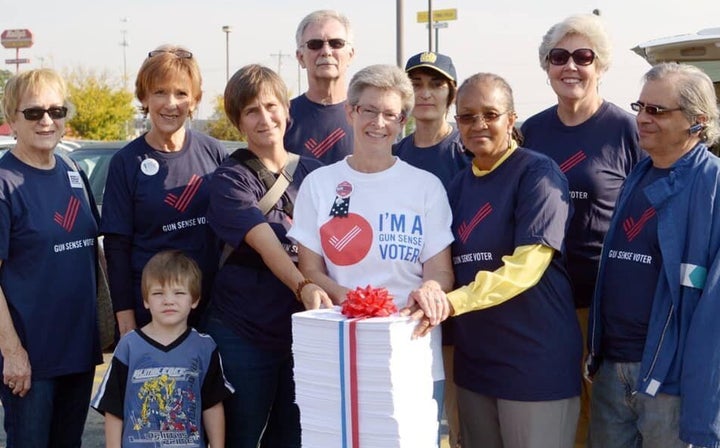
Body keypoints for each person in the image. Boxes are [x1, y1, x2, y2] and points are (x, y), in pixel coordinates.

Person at [409, 73, 582, 448]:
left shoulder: (537, 174)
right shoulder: (456, 186)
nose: (479, 125)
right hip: (475, 365)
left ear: (511, 118)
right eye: (467, 117)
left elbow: (526, 268)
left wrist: (451, 303)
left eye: (490, 114)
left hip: (534, 362)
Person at [288, 64, 455, 443]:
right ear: (350, 111)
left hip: (413, 355)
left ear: (403, 122)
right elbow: (309, 268)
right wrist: (362, 306)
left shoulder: (426, 187)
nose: (379, 123)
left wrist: (430, 289)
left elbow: (442, 272)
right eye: (369, 110)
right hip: (340, 356)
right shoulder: (319, 185)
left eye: (391, 115)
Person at [520, 14, 644, 444]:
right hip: (544, 298)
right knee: (557, 407)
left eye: (582, 56)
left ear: (600, 66)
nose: (570, 66)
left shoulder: (627, 130)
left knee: (602, 412)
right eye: (559, 57)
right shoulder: (531, 131)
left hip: (603, 303)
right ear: (546, 66)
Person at [586, 63, 720, 447]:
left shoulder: (712, 186)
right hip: (613, 370)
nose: (641, 118)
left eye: (656, 111)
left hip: (670, 383)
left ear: (697, 121)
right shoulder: (639, 174)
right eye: (640, 107)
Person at [204, 64, 331, 448]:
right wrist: (303, 284)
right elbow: (265, 241)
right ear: (238, 121)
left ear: (287, 111)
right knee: (241, 434)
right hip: (243, 331)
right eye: (251, 111)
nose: (265, 118)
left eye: (271, 106)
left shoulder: (318, 175)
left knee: (295, 436)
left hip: (304, 334)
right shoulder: (230, 179)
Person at [0, 68, 103, 446]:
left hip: (77, 352)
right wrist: (12, 353)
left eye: (57, 111)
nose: (47, 120)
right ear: (12, 119)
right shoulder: (4, 183)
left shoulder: (73, 170)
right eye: (33, 113)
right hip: (30, 361)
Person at [101, 45, 227, 336]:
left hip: (211, 311)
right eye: (159, 92)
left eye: (181, 93)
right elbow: (117, 247)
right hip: (151, 315)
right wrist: (125, 318)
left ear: (195, 101)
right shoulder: (126, 163)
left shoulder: (214, 153)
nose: (170, 103)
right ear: (144, 97)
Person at [393, 50, 470, 448]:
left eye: (435, 84)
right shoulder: (396, 155)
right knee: (413, 419)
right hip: (408, 307)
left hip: (458, 302)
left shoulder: (465, 152)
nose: (425, 93)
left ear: (450, 94)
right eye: (415, 84)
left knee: (456, 422)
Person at [91, 250, 234, 448]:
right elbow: (113, 408)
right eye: (158, 293)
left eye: (179, 293)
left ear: (194, 300)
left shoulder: (204, 347)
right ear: (146, 300)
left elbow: (212, 405)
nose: (168, 300)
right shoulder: (129, 346)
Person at [284, 10, 356, 164]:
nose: (326, 51)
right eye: (314, 45)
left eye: (336, 43)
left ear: (351, 55)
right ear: (300, 57)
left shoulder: (370, 116)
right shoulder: (281, 118)